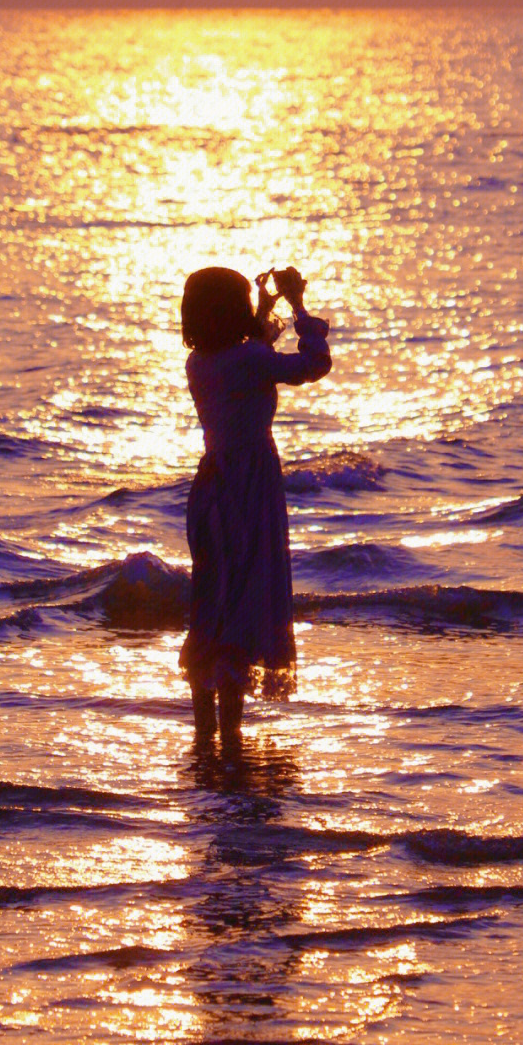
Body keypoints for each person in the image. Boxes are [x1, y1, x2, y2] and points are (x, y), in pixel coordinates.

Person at [179, 265, 331, 743]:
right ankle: (230, 741)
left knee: (213, 600)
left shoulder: (202, 361)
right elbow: (313, 365)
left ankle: (206, 736)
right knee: (244, 601)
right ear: (232, 312)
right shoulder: (245, 361)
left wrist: (267, 307)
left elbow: (254, 350)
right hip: (251, 487)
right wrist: (299, 306)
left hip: (212, 488)